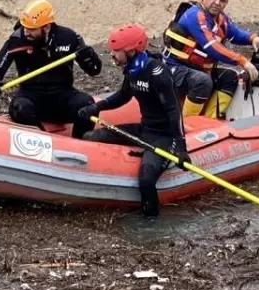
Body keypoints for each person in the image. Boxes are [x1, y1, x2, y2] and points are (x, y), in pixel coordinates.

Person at [78, 24, 187, 219]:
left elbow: (174, 111)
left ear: (131, 51)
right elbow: (123, 96)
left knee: (146, 180)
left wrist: (180, 147)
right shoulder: (132, 69)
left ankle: (150, 224)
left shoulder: (157, 73)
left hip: (163, 136)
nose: (112, 56)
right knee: (91, 137)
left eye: (116, 52)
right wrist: (97, 107)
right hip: (144, 129)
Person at [0, 0, 102, 138]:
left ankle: (80, 144)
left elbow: (94, 70)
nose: (26, 32)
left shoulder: (68, 37)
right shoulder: (17, 40)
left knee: (87, 104)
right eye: (24, 27)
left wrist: (88, 56)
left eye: (32, 29)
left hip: (62, 95)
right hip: (31, 95)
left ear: (46, 27)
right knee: (20, 107)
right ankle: (43, 141)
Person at [162, 0, 259, 119]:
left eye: (222, 0)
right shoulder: (194, 15)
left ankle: (211, 120)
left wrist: (253, 38)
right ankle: (187, 126)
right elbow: (212, 46)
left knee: (229, 77)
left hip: (197, 69)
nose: (217, 3)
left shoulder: (221, 19)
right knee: (203, 81)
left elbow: (235, 34)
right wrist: (242, 61)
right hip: (175, 68)